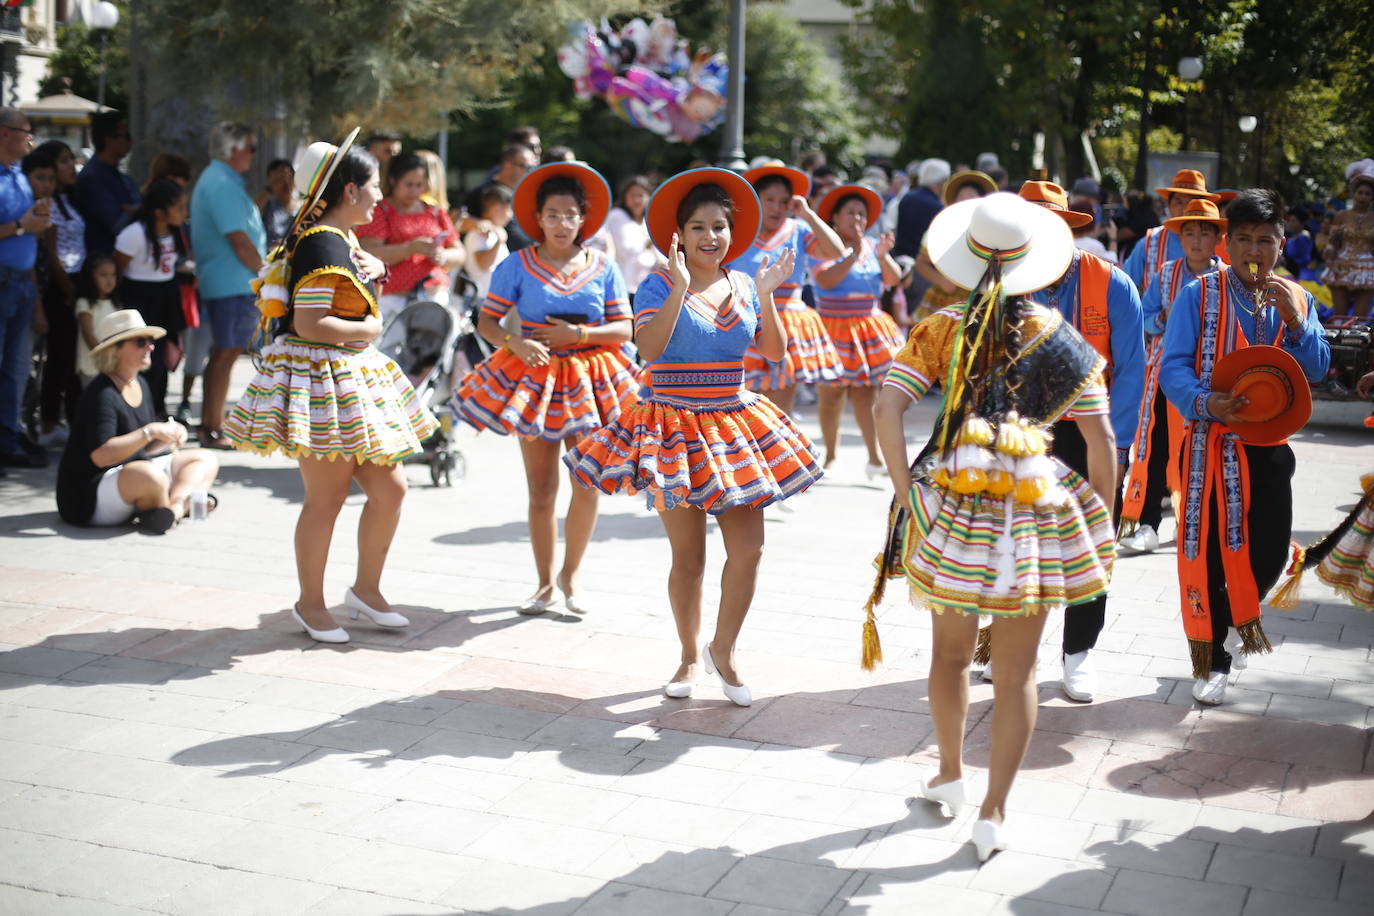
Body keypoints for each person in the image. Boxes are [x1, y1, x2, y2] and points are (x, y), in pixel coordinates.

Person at [869, 193, 1116, 861]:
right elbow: (1100, 440)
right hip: (1034, 508)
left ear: (969, 258)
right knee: (1018, 673)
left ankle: (949, 774)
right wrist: (1105, 523)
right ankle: (993, 811)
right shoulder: (1060, 337)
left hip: (952, 501)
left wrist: (903, 493)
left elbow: (884, 407)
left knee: (948, 656)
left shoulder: (941, 327)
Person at [564, 168, 824, 704]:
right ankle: (687, 657)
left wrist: (770, 296)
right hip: (671, 426)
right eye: (699, 227)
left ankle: (722, 650)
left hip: (733, 422)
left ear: (733, 232)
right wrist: (681, 286)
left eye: (720, 227)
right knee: (689, 558)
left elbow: (772, 353)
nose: (711, 237)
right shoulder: (658, 284)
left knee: (750, 548)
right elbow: (651, 352)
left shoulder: (746, 284)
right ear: (678, 235)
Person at [225, 132, 438, 643]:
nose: (379, 196)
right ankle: (311, 603)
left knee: (389, 488)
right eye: (372, 187)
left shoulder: (338, 239)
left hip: (344, 377)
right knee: (327, 497)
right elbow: (312, 323)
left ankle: (365, 590)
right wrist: (368, 328)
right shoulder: (323, 242)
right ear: (348, 192)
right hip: (323, 377)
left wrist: (378, 273)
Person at [1158, 189, 1330, 705]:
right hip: (1210, 446)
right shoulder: (1198, 295)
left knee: (1271, 553)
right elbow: (1173, 366)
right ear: (1227, 243)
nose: (1255, 251)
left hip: (1270, 445)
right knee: (1209, 553)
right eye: (1245, 240)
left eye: (1266, 240)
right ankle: (1211, 659)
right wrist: (1207, 401)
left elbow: (1318, 368)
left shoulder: (1298, 297)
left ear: (1282, 244)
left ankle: (1234, 619)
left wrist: (1296, 323)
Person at [451, 162, 639, 615]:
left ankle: (571, 576)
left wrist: (580, 337)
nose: (561, 223)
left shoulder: (603, 265)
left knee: (588, 482)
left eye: (570, 214)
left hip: (593, 381)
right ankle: (542, 583)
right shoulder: (517, 265)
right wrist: (516, 342)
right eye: (552, 215)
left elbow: (625, 328)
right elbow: (488, 321)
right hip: (534, 379)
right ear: (538, 218)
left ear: (583, 218)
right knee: (540, 489)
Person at [1016, 180, 1144, 702]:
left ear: (1070, 229)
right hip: (1022, 435)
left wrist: (1119, 445)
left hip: (1094, 435)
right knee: (1010, 538)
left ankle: (1079, 653)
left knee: (1091, 545)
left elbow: (1133, 371)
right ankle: (995, 647)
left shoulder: (1113, 284)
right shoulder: (1003, 285)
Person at [1119, 198, 1225, 554]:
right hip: (1167, 375)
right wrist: (1165, 319)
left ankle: (1200, 524)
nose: (1196, 240)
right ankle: (1149, 523)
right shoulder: (1166, 273)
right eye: (1189, 233)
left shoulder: (1226, 278)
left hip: (1211, 381)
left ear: (1216, 239)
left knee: (1205, 451)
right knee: (1157, 447)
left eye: (1204, 233)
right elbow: (1144, 315)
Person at [56, 309, 219, 531]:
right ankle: (181, 503)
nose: (150, 347)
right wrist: (150, 431)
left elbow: (143, 449)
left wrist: (167, 436)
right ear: (116, 350)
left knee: (205, 458)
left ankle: (175, 509)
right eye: (140, 342)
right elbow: (102, 456)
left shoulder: (139, 383)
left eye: (150, 341)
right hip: (89, 496)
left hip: (128, 475)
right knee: (150, 476)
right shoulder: (101, 393)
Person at [727, 165, 844, 413]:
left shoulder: (798, 230)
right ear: (755, 199)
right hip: (743, 322)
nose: (777, 208)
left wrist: (809, 215)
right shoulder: (737, 231)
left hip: (786, 325)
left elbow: (837, 252)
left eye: (783, 201)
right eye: (769, 199)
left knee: (779, 413)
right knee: (743, 409)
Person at [811, 183, 906, 474]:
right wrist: (850, 255)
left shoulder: (873, 245)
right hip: (833, 327)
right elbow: (825, 281)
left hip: (867, 327)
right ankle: (830, 454)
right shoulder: (822, 245)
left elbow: (894, 279)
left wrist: (882, 256)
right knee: (831, 395)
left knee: (866, 394)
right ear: (835, 218)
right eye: (850, 213)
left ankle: (874, 458)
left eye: (862, 214)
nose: (857, 220)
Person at [189, 122, 267, 450]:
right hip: (231, 283)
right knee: (225, 354)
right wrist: (267, 275)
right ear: (232, 149)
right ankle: (213, 427)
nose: (253, 155)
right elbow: (239, 240)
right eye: (250, 148)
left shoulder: (220, 180)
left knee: (224, 354)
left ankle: (213, 425)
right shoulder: (220, 183)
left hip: (228, 281)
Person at [0, 108, 52, 472]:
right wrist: (22, 224)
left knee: (17, 369)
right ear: (5, 133)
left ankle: (8, 441)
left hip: (21, 282)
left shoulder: (19, 174)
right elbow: (19, 227)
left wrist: (35, 218)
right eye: (25, 132)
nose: (30, 139)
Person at [357, 151, 464, 319]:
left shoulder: (433, 211)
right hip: (392, 301)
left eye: (419, 185)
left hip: (434, 296)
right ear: (393, 181)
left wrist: (442, 256)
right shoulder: (379, 211)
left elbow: (459, 252)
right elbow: (368, 253)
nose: (415, 191)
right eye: (409, 184)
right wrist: (409, 248)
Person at [116, 179, 188, 418]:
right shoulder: (133, 234)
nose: (184, 213)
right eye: (178, 208)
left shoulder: (176, 232)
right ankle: (138, 412)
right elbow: (118, 270)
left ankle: (158, 408)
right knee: (142, 359)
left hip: (166, 297)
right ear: (159, 212)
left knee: (163, 360)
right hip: (139, 299)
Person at [35, 139, 85, 441]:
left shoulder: (71, 199)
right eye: (64, 160)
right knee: (59, 355)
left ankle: (72, 418)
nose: (71, 166)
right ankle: (50, 421)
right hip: (59, 285)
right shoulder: (49, 203)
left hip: (77, 280)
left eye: (71, 160)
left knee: (74, 356)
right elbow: (52, 254)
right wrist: (69, 288)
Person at [910, 170, 997, 324]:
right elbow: (921, 262)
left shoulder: (992, 232)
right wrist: (941, 281)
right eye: (961, 198)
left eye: (971, 197)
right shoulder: (942, 229)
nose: (965, 202)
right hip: (943, 302)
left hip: (980, 301)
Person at [1121, 169, 1220, 293]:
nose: (1185, 208)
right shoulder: (1150, 242)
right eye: (1178, 202)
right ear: (1168, 204)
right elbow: (1124, 285)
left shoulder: (1219, 243)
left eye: (1192, 202)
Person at [72, 111, 139, 257]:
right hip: (102, 262)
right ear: (109, 140)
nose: (131, 142)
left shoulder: (117, 174)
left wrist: (136, 210)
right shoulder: (92, 178)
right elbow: (118, 224)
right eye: (126, 137)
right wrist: (140, 211)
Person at [464, 144, 538, 253]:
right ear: (508, 165)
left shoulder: (525, 194)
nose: (530, 171)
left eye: (533, 168)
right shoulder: (483, 192)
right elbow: (457, 219)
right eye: (526, 167)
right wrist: (479, 224)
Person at [1322, 167, 1374, 318]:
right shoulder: (1341, 215)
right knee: (1339, 316)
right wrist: (1329, 249)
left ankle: (1357, 341)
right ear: (1354, 194)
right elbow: (1332, 240)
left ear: (1372, 197)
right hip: (1341, 266)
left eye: (1368, 194)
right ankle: (1337, 341)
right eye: (1360, 192)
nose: (1363, 197)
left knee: (1360, 317)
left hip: (1367, 268)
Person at [603, 175, 665, 300]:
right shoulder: (617, 216)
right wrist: (648, 243)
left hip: (645, 287)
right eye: (632, 195)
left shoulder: (647, 222)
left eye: (641, 196)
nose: (637, 200)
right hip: (622, 287)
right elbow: (627, 250)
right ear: (625, 197)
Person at [461, 182, 512, 300]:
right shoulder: (478, 234)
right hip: (480, 300)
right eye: (508, 210)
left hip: (495, 299)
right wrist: (499, 242)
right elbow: (483, 264)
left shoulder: (495, 233)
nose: (510, 215)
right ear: (496, 209)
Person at [892, 158, 950, 262]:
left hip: (899, 258)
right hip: (920, 264)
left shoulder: (907, 197)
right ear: (941, 181)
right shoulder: (936, 206)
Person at [74, 257, 120, 386]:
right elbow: (88, 333)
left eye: (113, 275)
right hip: (92, 366)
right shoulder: (85, 304)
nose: (109, 280)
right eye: (103, 275)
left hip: (113, 365)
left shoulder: (116, 304)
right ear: (90, 277)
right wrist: (104, 357)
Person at [258, 158, 296, 249]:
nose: (286, 183)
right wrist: (269, 189)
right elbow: (252, 213)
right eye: (280, 179)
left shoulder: (302, 207)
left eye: (290, 177)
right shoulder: (267, 206)